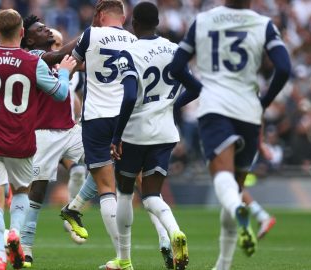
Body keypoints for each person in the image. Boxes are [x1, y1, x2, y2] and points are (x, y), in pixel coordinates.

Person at [170, 0, 291, 269]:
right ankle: (223, 264)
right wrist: (265, 102)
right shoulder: (264, 24)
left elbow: (176, 66)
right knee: (234, 187)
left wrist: (202, 88)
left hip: (216, 108)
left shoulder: (202, 21)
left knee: (223, 180)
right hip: (249, 111)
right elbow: (284, 68)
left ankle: (239, 210)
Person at [0, 9, 76, 270]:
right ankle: (15, 233)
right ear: (22, 33)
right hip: (21, 141)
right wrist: (66, 72)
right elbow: (59, 95)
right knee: (21, 191)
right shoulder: (33, 62)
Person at [110, 2, 193, 269]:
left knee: (124, 193)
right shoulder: (175, 50)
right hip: (166, 130)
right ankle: (175, 232)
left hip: (135, 132)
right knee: (152, 195)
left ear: (133, 24)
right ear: (157, 22)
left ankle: (124, 258)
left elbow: (131, 95)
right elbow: (195, 87)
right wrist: (170, 105)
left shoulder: (128, 52)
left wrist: (116, 135)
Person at [59, 0, 137, 267]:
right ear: (123, 17)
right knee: (125, 186)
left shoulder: (90, 34)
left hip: (95, 118)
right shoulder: (132, 39)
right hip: (125, 118)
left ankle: (122, 258)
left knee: (106, 188)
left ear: (102, 15)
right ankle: (75, 208)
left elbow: (71, 61)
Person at [18, 15, 85, 268]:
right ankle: (26, 246)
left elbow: (74, 60)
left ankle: (72, 210)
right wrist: (92, 31)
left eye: (47, 28)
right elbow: (64, 55)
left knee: (103, 163)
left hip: (70, 129)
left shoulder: (58, 59)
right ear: (30, 38)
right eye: (40, 29)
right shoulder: (34, 57)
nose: (47, 30)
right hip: (44, 132)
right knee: (38, 189)